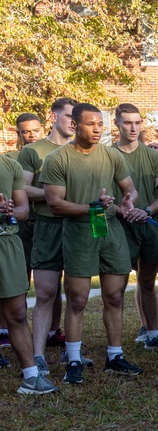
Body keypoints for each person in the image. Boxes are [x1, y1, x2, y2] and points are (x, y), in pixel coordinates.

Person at [40, 103, 145, 384]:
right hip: (79, 231)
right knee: (77, 299)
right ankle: (73, 358)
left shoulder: (110, 155)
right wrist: (90, 208)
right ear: (74, 125)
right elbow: (55, 203)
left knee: (114, 296)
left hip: (110, 229)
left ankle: (115, 356)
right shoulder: (58, 159)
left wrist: (128, 200)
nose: (97, 129)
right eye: (90, 124)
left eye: (100, 124)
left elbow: (130, 188)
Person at [19, 98, 77, 375]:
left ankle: (73, 353)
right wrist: (55, 195)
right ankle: (38, 355)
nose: (73, 122)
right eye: (68, 116)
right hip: (46, 225)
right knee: (45, 292)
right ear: (53, 116)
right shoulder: (34, 150)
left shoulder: (85, 150)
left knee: (76, 294)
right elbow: (23, 190)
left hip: (78, 226)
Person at [113, 104, 158, 351]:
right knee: (116, 288)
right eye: (127, 122)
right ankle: (114, 343)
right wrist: (122, 210)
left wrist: (145, 210)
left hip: (149, 223)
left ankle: (153, 334)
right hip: (119, 226)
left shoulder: (153, 156)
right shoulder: (106, 155)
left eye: (137, 122)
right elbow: (100, 195)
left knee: (147, 282)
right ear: (116, 123)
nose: (133, 127)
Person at [0, 152, 57, 393]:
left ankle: (31, 376)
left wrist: (9, 210)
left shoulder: (10, 165)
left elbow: (23, 211)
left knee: (18, 312)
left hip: (7, 243)